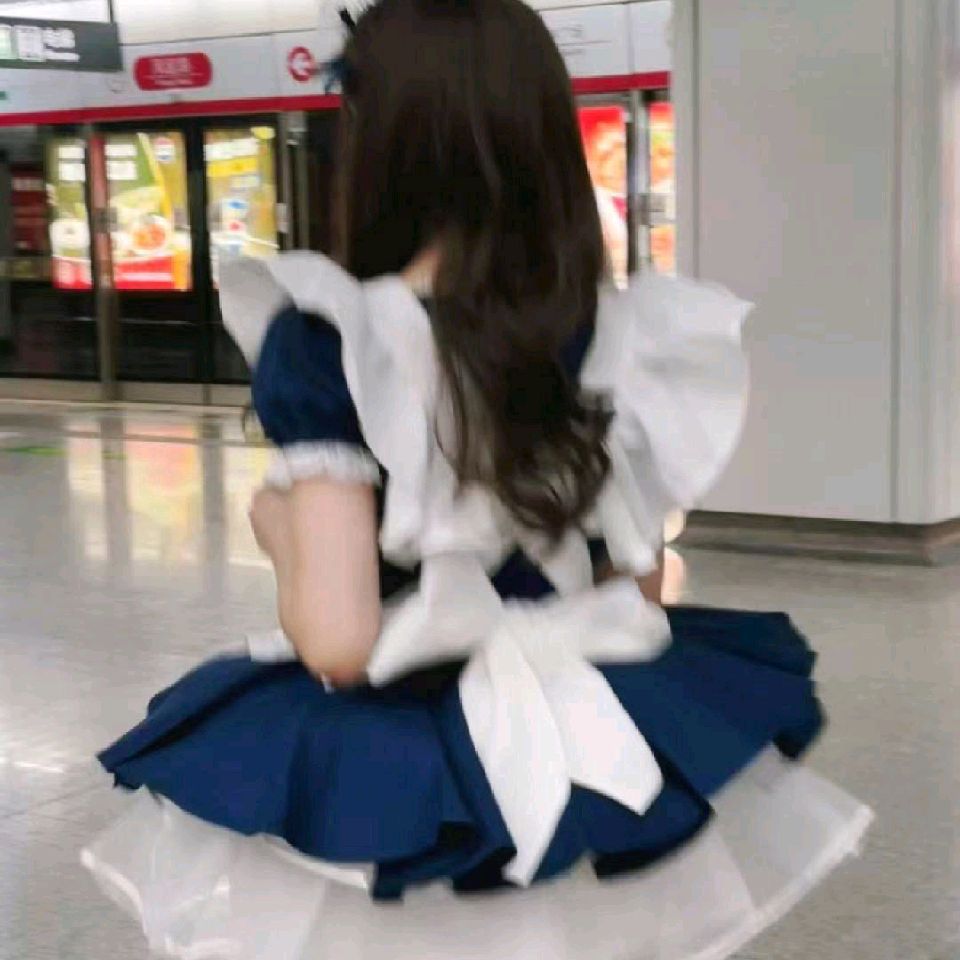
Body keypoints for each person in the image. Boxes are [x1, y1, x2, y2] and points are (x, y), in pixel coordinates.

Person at [81, 1, 873, 957]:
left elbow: (338, 642)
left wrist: (273, 524)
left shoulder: (332, 340)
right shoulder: (621, 335)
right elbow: (639, 594)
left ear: (380, 141)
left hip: (408, 762)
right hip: (587, 731)